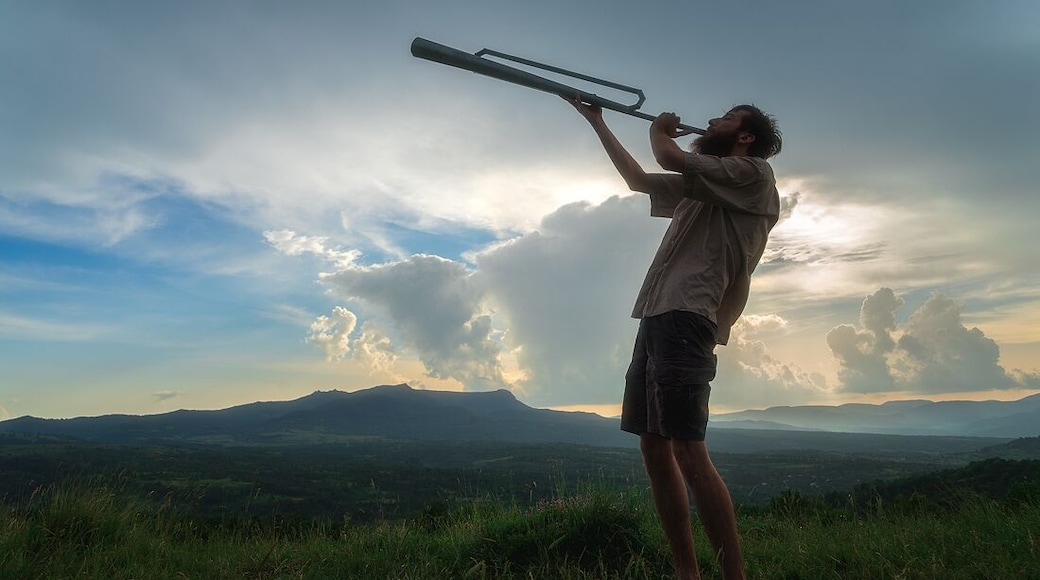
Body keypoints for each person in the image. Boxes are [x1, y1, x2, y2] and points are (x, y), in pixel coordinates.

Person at [568, 96, 782, 580]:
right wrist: (597, 122)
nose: (710, 121)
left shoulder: (753, 175)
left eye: (726, 118)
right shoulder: (708, 184)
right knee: (653, 444)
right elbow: (640, 181)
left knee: (687, 447)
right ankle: (686, 571)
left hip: (688, 314)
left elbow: (666, 156)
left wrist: (661, 130)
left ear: (745, 137)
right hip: (660, 311)